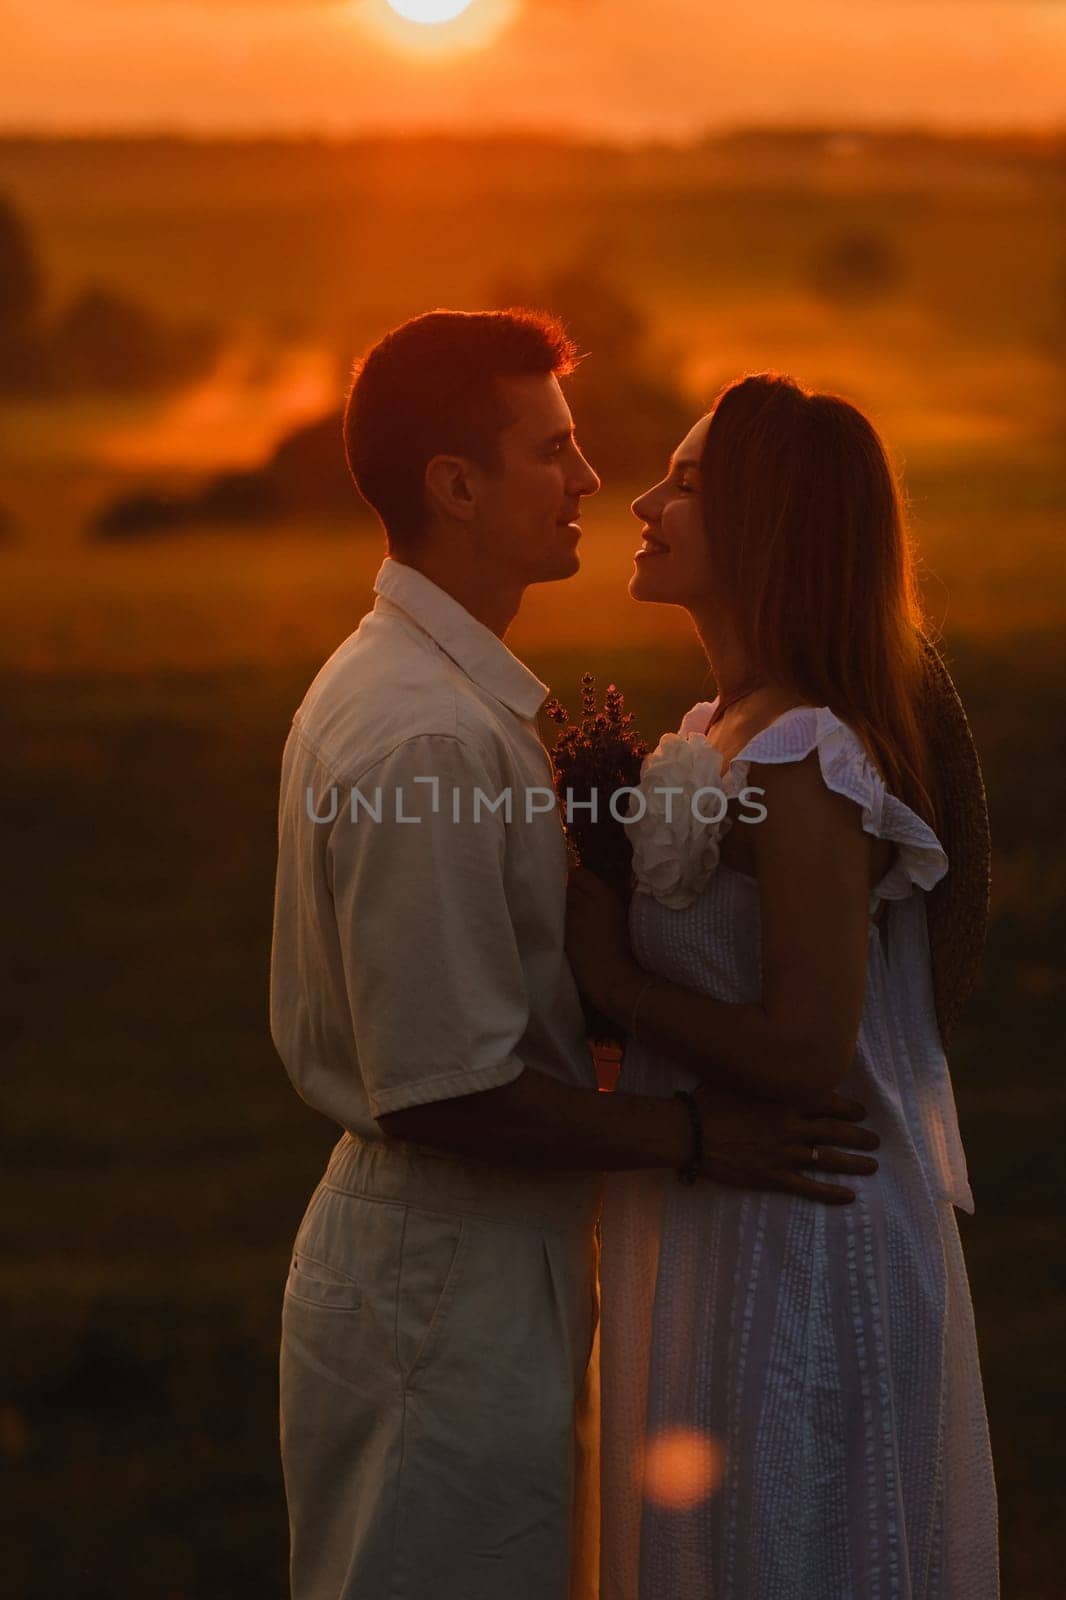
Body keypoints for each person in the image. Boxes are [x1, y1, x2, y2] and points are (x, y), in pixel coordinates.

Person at [269, 315, 881, 1600]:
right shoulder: (424, 735)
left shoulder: (440, 695)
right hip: (444, 1284)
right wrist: (699, 1137)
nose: (593, 479)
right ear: (454, 485)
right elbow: (445, 1084)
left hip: (478, 1269)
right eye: (551, 449)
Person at [565, 373, 1000, 1599]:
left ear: (772, 525)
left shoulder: (807, 751)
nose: (645, 500)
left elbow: (810, 1041)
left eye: (688, 484)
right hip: (725, 1205)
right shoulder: (719, 725)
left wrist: (615, 979)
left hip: (808, 1232)